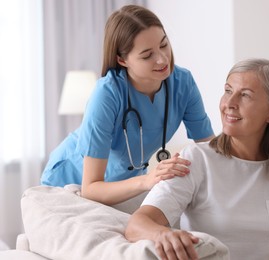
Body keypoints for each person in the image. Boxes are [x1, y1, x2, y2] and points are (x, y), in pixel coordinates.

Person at [125, 59, 269, 260]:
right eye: (228, 91)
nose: (230, 103)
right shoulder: (196, 160)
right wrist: (163, 234)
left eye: (245, 95)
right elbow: (137, 224)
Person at [40, 5, 215, 205]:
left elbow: (208, 148)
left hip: (127, 182)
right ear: (122, 60)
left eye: (164, 44)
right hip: (70, 181)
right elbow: (90, 189)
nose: (162, 58)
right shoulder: (107, 94)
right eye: (147, 55)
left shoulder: (182, 83)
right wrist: (148, 179)